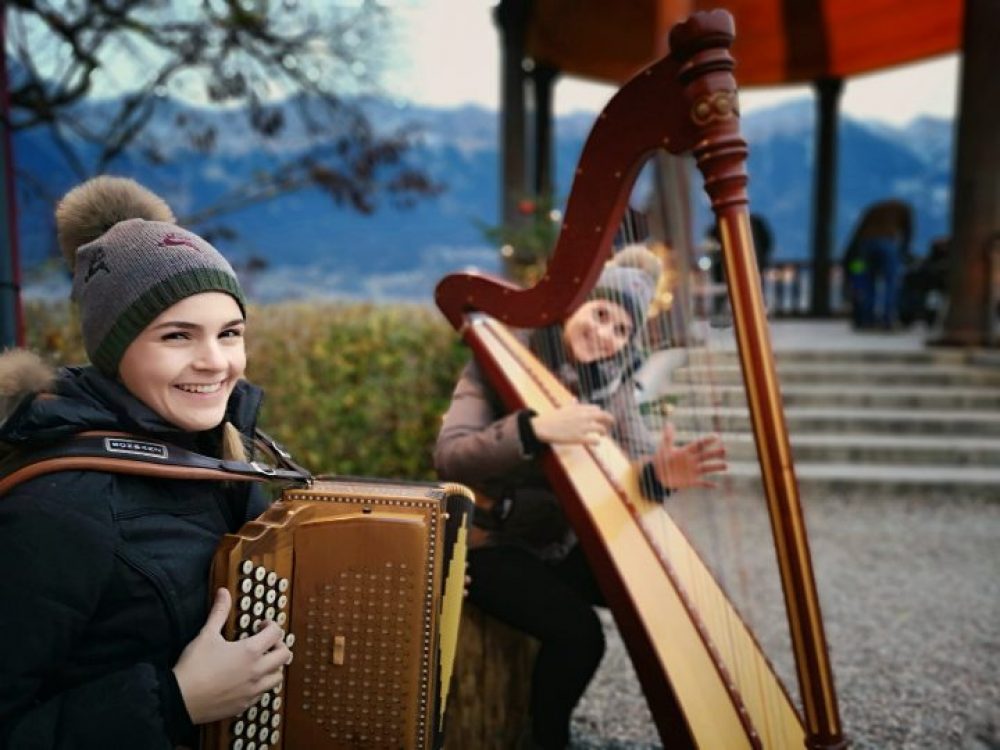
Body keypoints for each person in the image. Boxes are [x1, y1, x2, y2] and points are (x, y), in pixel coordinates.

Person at [0, 177, 293, 748]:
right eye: (177, 336)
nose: (215, 363)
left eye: (229, 334)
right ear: (116, 349)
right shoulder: (57, 510)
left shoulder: (223, 456)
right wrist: (176, 699)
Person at [434, 245, 727, 750]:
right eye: (601, 315)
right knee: (580, 635)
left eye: (621, 330)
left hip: (549, 544)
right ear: (573, 307)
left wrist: (659, 475)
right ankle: (547, 740)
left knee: (653, 588)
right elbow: (451, 457)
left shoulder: (609, 386)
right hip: (487, 543)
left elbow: (635, 463)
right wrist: (536, 430)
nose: (605, 335)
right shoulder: (497, 361)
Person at [841, 199, 913, 329]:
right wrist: (904, 252)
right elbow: (907, 232)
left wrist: (851, 257)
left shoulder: (873, 209)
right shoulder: (904, 209)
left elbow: (857, 231)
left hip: (865, 245)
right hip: (887, 243)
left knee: (866, 283)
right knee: (891, 282)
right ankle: (887, 319)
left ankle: (867, 319)